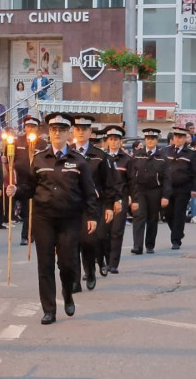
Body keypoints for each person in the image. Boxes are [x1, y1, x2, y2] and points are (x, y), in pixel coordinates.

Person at [7, 113, 98, 325]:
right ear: (49, 133)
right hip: (43, 218)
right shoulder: (38, 159)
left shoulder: (79, 162)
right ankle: (49, 309)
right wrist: (16, 190)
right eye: (54, 129)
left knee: (67, 264)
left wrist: (92, 215)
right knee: (45, 264)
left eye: (62, 130)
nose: (57, 133)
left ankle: (67, 294)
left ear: (68, 133)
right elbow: (30, 187)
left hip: (69, 219)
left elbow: (89, 192)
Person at [71, 116, 118, 290]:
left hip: (92, 205)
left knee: (89, 241)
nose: (81, 132)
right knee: (71, 243)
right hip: (71, 205)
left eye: (84, 129)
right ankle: (75, 279)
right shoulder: (67, 153)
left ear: (90, 132)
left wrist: (108, 206)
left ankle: (90, 271)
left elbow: (109, 184)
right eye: (77, 129)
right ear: (73, 132)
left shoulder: (99, 156)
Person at [130, 128, 171, 254]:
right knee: (139, 216)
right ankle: (137, 246)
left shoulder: (162, 157)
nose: (150, 141)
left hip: (155, 191)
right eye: (148, 138)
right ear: (145, 140)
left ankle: (149, 244)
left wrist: (165, 196)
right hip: (140, 190)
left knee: (153, 218)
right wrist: (132, 194)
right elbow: (132, 176)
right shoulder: (137, 155)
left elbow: (167, 179)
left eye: (153, 139)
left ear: (157, 140)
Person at [99, 125, 133, 274]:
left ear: (120, 142)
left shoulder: (126, 159)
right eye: (111, 139)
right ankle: (105, 260)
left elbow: (132, 181)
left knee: (116, 232)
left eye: (116, 139)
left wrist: (133, 197)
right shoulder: (102, 157)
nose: (113, 142)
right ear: (107, 141)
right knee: (103, 232)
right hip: (106, 199)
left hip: (121, 198)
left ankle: (113, 263)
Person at [162, 126, 196, 249]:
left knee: (179, 213)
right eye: (176, 137)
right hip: (168, 188)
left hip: (183, 188)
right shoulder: (166, 151)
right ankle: (177, 232)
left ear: (185, 139)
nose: (178, 139)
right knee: (167, 213)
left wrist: (195, 188)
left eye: (181, 137)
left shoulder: (190, 153)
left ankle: (175, 240)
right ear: (173, 138)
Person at [14, 116, 47, 245]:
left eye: (33, 127)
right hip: (21, 179)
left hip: (36, 180)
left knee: (30, 208)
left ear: (37, 128)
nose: (30, 129)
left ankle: (26, 235)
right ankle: (30, 232)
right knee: (24, 209)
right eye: (28, 126)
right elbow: (10, 157)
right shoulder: (18, 141)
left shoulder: (42, 144)